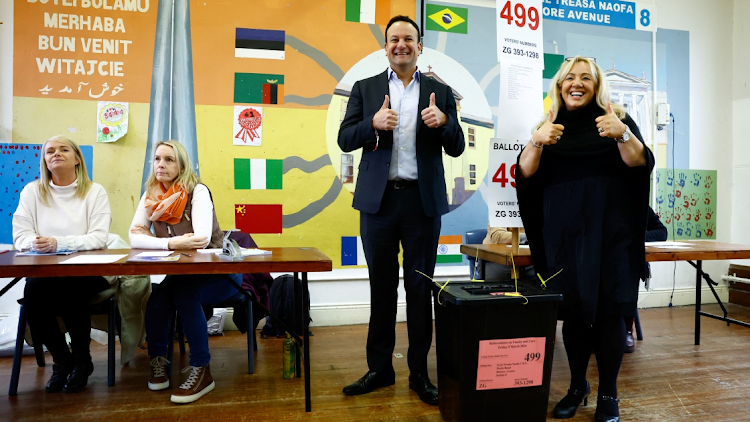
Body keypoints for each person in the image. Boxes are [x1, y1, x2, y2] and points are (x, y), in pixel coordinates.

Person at [516, 56, 654, 422]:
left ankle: (609, 392)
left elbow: (642, 163)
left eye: (586, 78)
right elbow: (525, 173)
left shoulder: (616, 119)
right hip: (565, 236)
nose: (577, 84)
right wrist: (536, 140)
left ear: (597, 85)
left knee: (610, 314)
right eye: (569, 78)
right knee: (574, 315)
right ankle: (578, 386)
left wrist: (622, 132)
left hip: (612, 236)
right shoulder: (547, 126)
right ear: (559, 85)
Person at [337, 15, 465, 406]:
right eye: (394, 39)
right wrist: (372, 124)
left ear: (419, 45)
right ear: (386, 45)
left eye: (408, 38)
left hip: (421, 202)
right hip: (378, 203)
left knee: (419, 288)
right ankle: (380, 368)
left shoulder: (440, 92)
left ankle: (420, 374)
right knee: (381, 287)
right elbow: (345, 138)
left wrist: (444, 122)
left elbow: (457, 145)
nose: (401, 45)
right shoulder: (365, 88)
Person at [129, 140, 241, 404]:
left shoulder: (197, 191)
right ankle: (159, 363)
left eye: (169, 159)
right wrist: (171, 243)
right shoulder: (150, 195)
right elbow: (134, 238)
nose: (161, 164)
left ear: (182, 165)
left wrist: (153, 239)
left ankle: (202, 370)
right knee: (157, 297)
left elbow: (200, 239)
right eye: (157, 159)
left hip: (219, 273)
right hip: (181, 273)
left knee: (185, 296)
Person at [12, 135, 112, 393]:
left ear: (77, 159)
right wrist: (36, 242)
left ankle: (82, 362)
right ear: (44, 161)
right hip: (45, 271)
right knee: (32, 295)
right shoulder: (32, 191)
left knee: (69, 292)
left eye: (63, 149)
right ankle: (62, 360)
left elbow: (99, 237)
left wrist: (59, 243)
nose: (56, 154)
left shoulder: (94, 191)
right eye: (50, 151)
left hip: (87, 272)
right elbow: (20, 236)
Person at [625, 206, 667, 353]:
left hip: (627, 263)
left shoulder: (640, 206)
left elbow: (662, 232)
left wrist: (637, 237)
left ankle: (626, 330)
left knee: (628, 272)